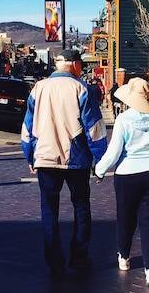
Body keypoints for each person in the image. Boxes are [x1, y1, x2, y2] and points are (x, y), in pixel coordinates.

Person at [21, 49, 107, 278]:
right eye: (81, 65)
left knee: (49, 209)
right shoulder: (82, 89)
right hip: (76, 160)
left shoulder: (37, 89)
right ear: (74, 65)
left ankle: (54, 260)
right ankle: (79, 256)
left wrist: (29, 155)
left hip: (45, 158)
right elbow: (94, 129)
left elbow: (27, 128)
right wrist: (100, 159)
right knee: (81, 206)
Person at [95, 77, 149, 285]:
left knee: (125, 217)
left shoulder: (123, 120)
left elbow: (114, 151)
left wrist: (100, 170)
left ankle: (124, 256)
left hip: (127, 174)